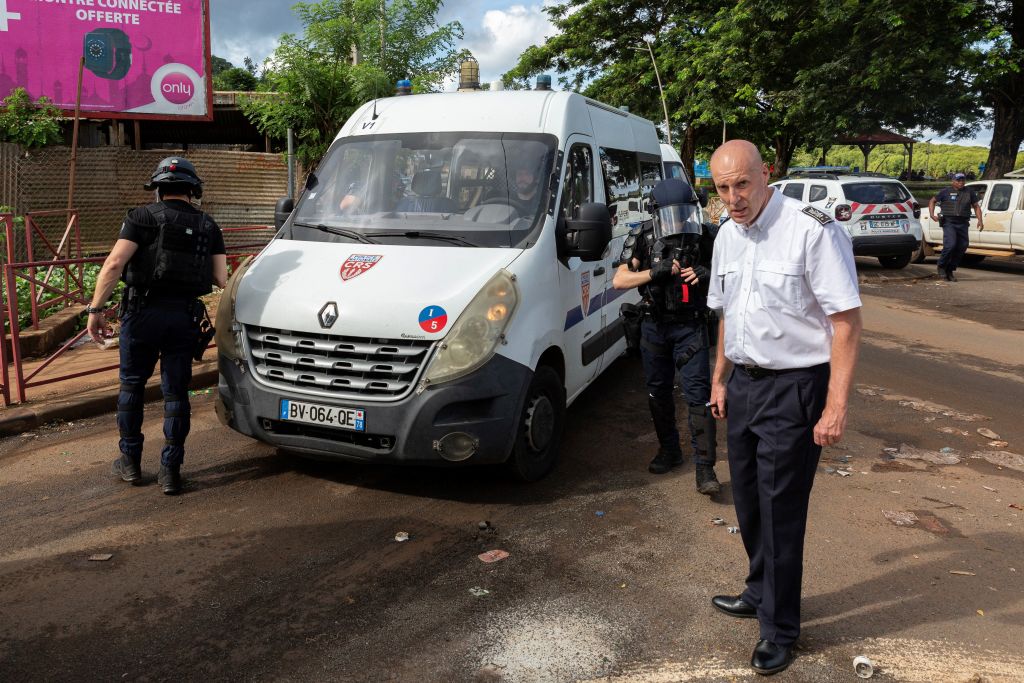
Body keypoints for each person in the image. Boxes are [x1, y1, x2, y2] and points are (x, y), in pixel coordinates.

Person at [706, 140, 862, 675]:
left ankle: (780, 628)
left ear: (766, 173)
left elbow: (845, 321)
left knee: (780, 512)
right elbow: (726, 311)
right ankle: (758, 591)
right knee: (748, 503)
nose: (733, 197)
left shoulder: (810, 228)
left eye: (742, 184)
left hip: (795, 387)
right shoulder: (727, 234)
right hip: (745, 386)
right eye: (723, 188)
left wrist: (835, 406)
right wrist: (720, 377)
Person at [87, 157, 228, 495]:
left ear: (158, 189)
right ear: (193, 191)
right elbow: (221, 278)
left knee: (132, 387)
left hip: (142, 314)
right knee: (176, 393)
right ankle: (170, 472)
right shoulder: (209, 225)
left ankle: (131, 464)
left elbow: (113, 265)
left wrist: (95, 310)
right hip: (183, 318)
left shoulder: (141, 217)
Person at [612, 177, 721, 494]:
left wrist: (708, 274)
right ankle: (669, 450)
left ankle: (705, 468)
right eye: (670, 214)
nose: (677, 221)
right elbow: (620, 280)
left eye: (684, 212)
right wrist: (653, 273)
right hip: (654, 326)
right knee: (657, 393)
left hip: (691, 325)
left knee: (698, 396)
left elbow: (734, 275)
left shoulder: (705, 235)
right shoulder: (643, 236)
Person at [928, 172, 983, 281]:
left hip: (963, 223)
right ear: (953, 181)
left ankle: (950, 269)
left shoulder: (969, 192)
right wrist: (931, 214)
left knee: (963, 246)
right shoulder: (945, 192)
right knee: (950, 245)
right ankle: (942, 266)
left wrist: (980, 220)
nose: (961, 182)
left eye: (963, 180)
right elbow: (932, 201)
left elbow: (976, 206)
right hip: (949, 222)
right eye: (958, 180)